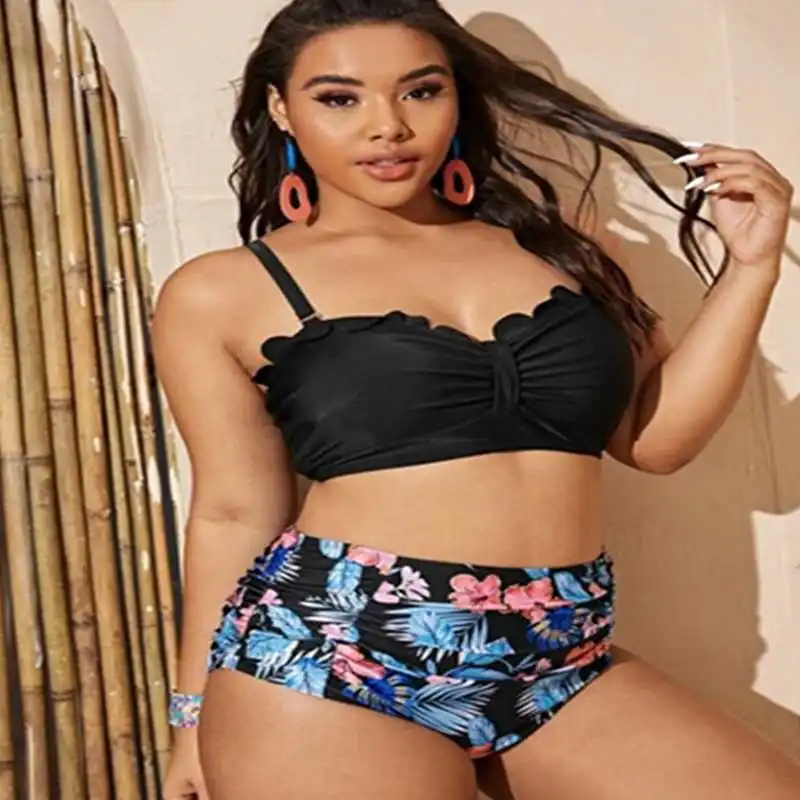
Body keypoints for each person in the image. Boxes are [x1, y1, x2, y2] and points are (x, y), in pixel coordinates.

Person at [154, 1, 798, 798]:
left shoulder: (558, 246)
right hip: (334, 660)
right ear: (281, 108)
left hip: (561, 656)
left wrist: (750, 267)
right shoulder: (222, 290)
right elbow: (232, 512)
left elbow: (654, 440)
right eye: (340, 98)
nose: (388, 127)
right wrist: (191, 717)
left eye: (420, 91)